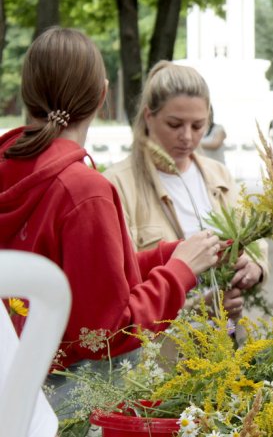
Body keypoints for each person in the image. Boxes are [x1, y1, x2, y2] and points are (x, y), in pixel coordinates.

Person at [0, 28, 220, 406]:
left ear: (26, 92)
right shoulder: (82, 188)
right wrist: (179, 273)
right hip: (74, 400)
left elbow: (87, 281)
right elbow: (107, 332)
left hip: (19, 387)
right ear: (103, 94)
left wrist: (169, 255)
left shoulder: (13, 167)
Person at [104, 61, 268, 320]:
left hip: (225, 344)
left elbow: (254, 234)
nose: (187, 137)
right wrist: (198, 307)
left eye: (198, 126)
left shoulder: (219, 175)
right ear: (149, 117)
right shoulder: (117, 184)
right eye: (174, 124)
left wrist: (254, 267)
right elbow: (122, 285)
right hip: (161, 349)